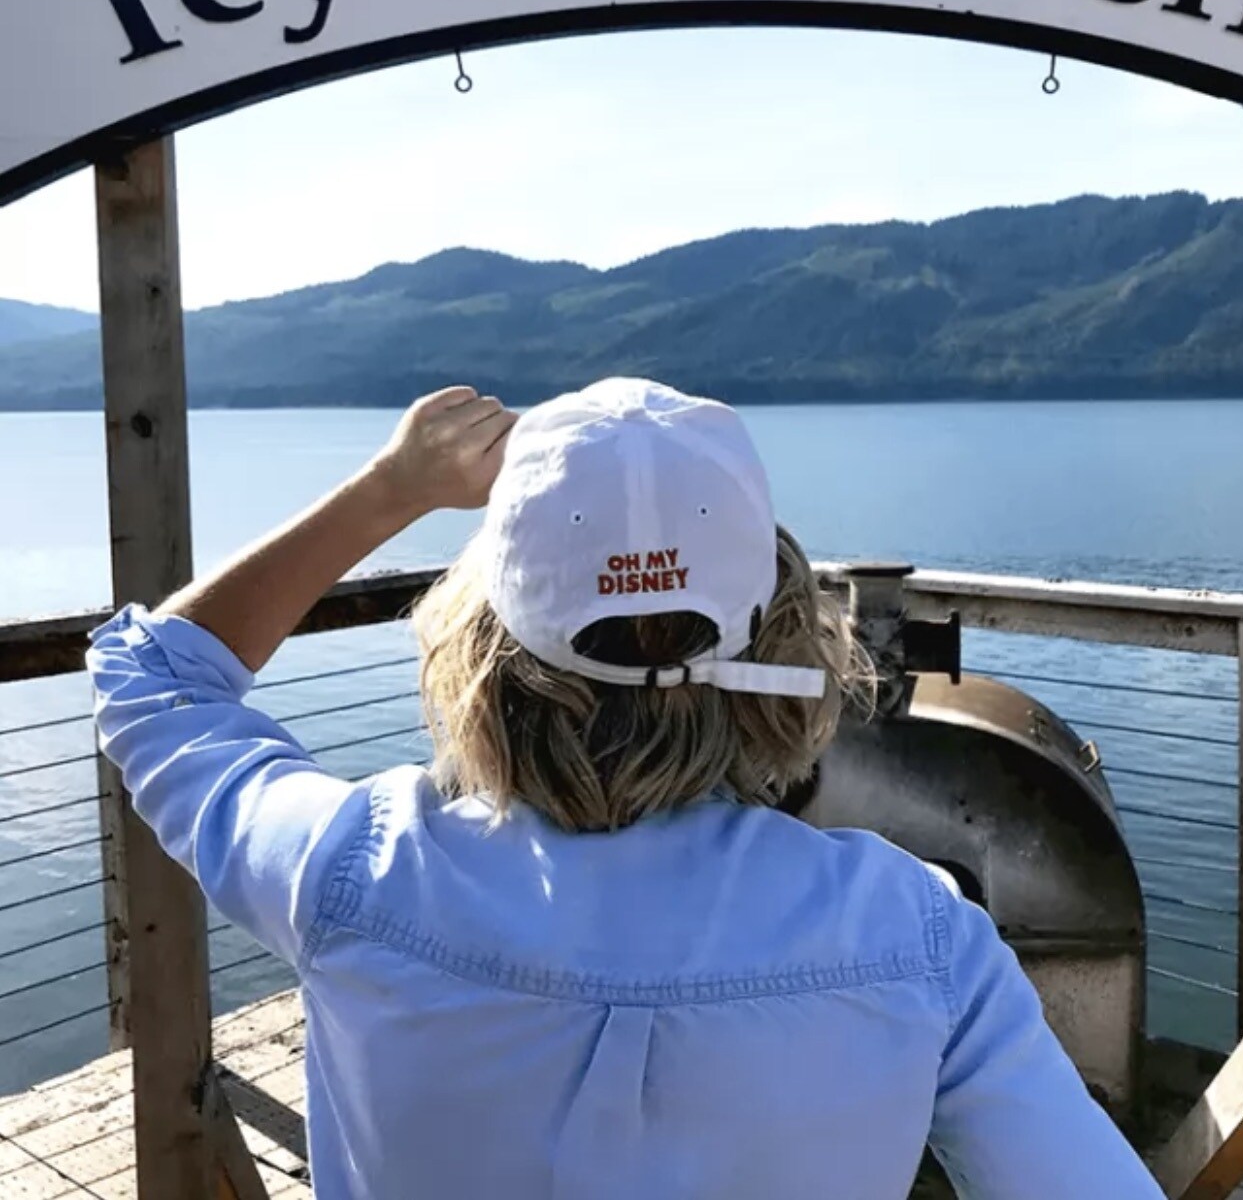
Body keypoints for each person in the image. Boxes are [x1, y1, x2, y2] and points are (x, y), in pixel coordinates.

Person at [90, 377, 1163, 1200]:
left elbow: (149, 674)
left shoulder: (352, 869)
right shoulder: (918, 932)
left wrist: (393, 488)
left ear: (482, 647)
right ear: (785, 633)